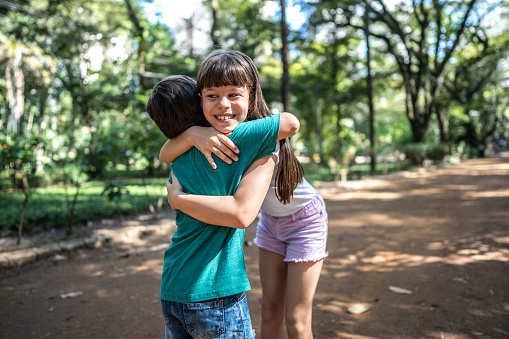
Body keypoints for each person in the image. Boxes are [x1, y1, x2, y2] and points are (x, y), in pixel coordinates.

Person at [163, 50, 328, 339]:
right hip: (270, 221)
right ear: (199, 98)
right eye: (212, 95)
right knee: (271, 310)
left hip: (305, 219)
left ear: (251, 95)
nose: (223, 105)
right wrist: (192, 135)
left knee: (297, 319)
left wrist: (178, 199)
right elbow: (165, 154)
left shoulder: (257, 134)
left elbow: (290, 122)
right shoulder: (208, 136)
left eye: (234, 95)